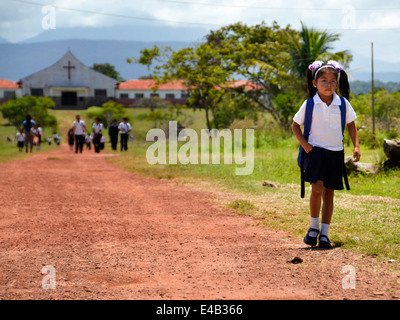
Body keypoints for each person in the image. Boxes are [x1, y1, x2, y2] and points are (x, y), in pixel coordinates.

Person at [291, 60, 360, 249]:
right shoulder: (310, 104)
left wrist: (356, 146)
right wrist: (306, 147)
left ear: (337, 84)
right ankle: (313, 228)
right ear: (315, 83)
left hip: (335, 153)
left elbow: (352, 126)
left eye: (332, 81)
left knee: (329, 193)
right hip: (315, 152)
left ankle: (324, 234)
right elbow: (295, 126)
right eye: (323, 80)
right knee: (317, 188)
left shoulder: (343, 104)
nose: (328, 85)